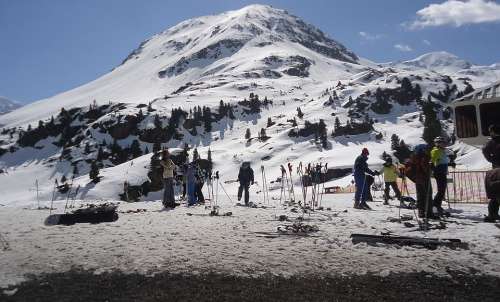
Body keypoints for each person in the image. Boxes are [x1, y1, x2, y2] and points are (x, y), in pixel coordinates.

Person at [405, 144, 437, 219]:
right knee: (428, 195)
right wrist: (431, 167)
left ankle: (421, 212)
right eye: (425, 149)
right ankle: (429, 213)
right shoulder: (424, 157)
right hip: (424, 178)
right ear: (422, 150)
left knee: (420, 196)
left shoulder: (413, 157)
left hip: (417, 179)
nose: (426, 150)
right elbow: (425, 168)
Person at [430, 136, 453, 216]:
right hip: (439, 172)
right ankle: (435, 206)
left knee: (442, 190)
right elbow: (433, 160)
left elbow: (443, 160)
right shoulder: (436, 151)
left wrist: (450, 163)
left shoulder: (442, 151)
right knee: (441, 191)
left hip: (442, 171)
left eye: (445, 143)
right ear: (438, 143)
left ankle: (436, 206)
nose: (445, 144)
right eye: (443, 143)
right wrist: (432, 165)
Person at [483, 124, 500, 222]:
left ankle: (492, 215)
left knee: (495, 194)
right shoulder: (492, 142)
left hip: (496, 170)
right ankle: (493, 214)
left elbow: (485, 151)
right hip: (497, 169)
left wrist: (493, 160)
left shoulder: (491, 142)